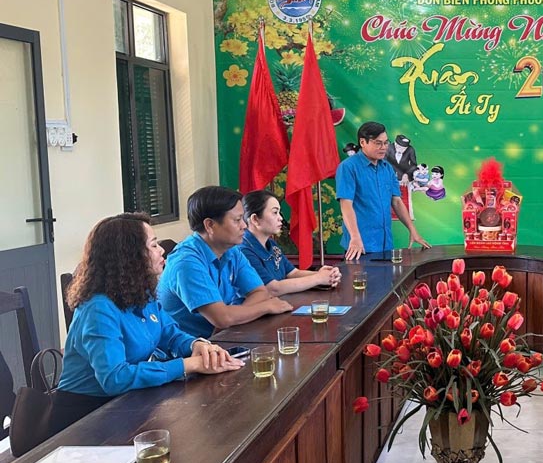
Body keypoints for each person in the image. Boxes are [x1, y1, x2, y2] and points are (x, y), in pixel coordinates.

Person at [50, 213, 243, 437]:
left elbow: (168, 333)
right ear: (129, 256)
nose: (162, 250)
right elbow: (115, 378)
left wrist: (196, 345)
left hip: (126, 404)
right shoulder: (98, 308)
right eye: (153, 245)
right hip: (86, 418)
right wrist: (188, 365)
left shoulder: (141, 292)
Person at [158, 186, 293, 337]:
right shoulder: (186, 262)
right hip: (189, 353)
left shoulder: (232, 250)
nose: (244, 225)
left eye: (242, 218)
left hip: (225, 339)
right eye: (237, 220)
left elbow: (259, 292)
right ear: (210, 225)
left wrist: (233, 318)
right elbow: (221, 318)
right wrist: (265, 307)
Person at [336, 121, 431, 260]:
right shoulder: (348, 167)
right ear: (363, 142)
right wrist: (355, 237)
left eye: (386, 143)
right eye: (378, 143)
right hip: (360, 247)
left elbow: (397, 202)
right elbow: (346, 205)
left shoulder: (387, 168)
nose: (383, 148)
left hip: (386, 246)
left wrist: (413, 230)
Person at [239, 190, 341, 294]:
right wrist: (318, 278)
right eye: (275, 212)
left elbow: (292, 273)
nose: (281, 218)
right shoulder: (244, 251)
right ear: (255, 219)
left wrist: (325, 275)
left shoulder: (271, 244)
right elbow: (272, 288)